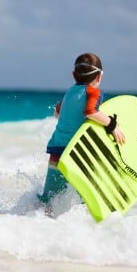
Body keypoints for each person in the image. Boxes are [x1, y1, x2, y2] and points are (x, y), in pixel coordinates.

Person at [38, 52, 126, 215]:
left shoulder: (70, 92)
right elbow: (91, 112)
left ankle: (32, 223)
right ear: (99, 76)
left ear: (73, 75)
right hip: (78, 152)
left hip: (57, 149)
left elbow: (57, 113)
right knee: (85, 198)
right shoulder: (94, 92)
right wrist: (112, 125)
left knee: (49, 198)